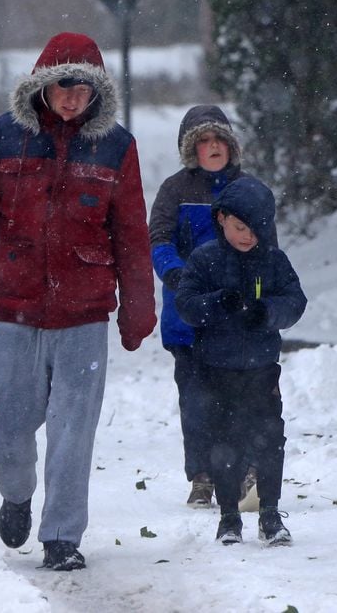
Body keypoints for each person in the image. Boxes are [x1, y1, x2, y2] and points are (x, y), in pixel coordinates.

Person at [0, 32, 156, 571]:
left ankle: (62, 537)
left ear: (97, 91)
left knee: (73, 431)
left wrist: (138, 306)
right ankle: (17, 494)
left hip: (84, 314)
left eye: (84, 88)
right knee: (7, 422)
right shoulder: (3, 138)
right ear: (42, 85)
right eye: (63, 86)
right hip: (14, 308)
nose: (73, 98)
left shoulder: (116, 147)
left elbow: (130, 232)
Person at [174, 176, 306, 546]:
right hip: (216, 370)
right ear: (221, 220)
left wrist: (266, 312)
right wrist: (216, 303)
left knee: (269, 440)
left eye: (257, 229)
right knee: (225, 443)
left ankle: (270, 514)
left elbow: (295, 302)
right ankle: (229, 518)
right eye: (240, 228)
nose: (248, 236)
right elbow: (186, 304)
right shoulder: (205, 260)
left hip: (263, 370)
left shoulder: (274, 261)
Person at [147, 105, 262, 508]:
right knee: (196, 402)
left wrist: (259, 295)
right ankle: (201, 476)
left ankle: (247, 472)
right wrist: (178, 277)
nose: (213, 148)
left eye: (220, 141)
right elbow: (158, 240)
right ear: (190, 150)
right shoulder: (174, 191)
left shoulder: (249, 190)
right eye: (204, 142)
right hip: (189, 320)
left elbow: (267, 248)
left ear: (231, 146)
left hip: (237, 320)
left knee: (241, 399)